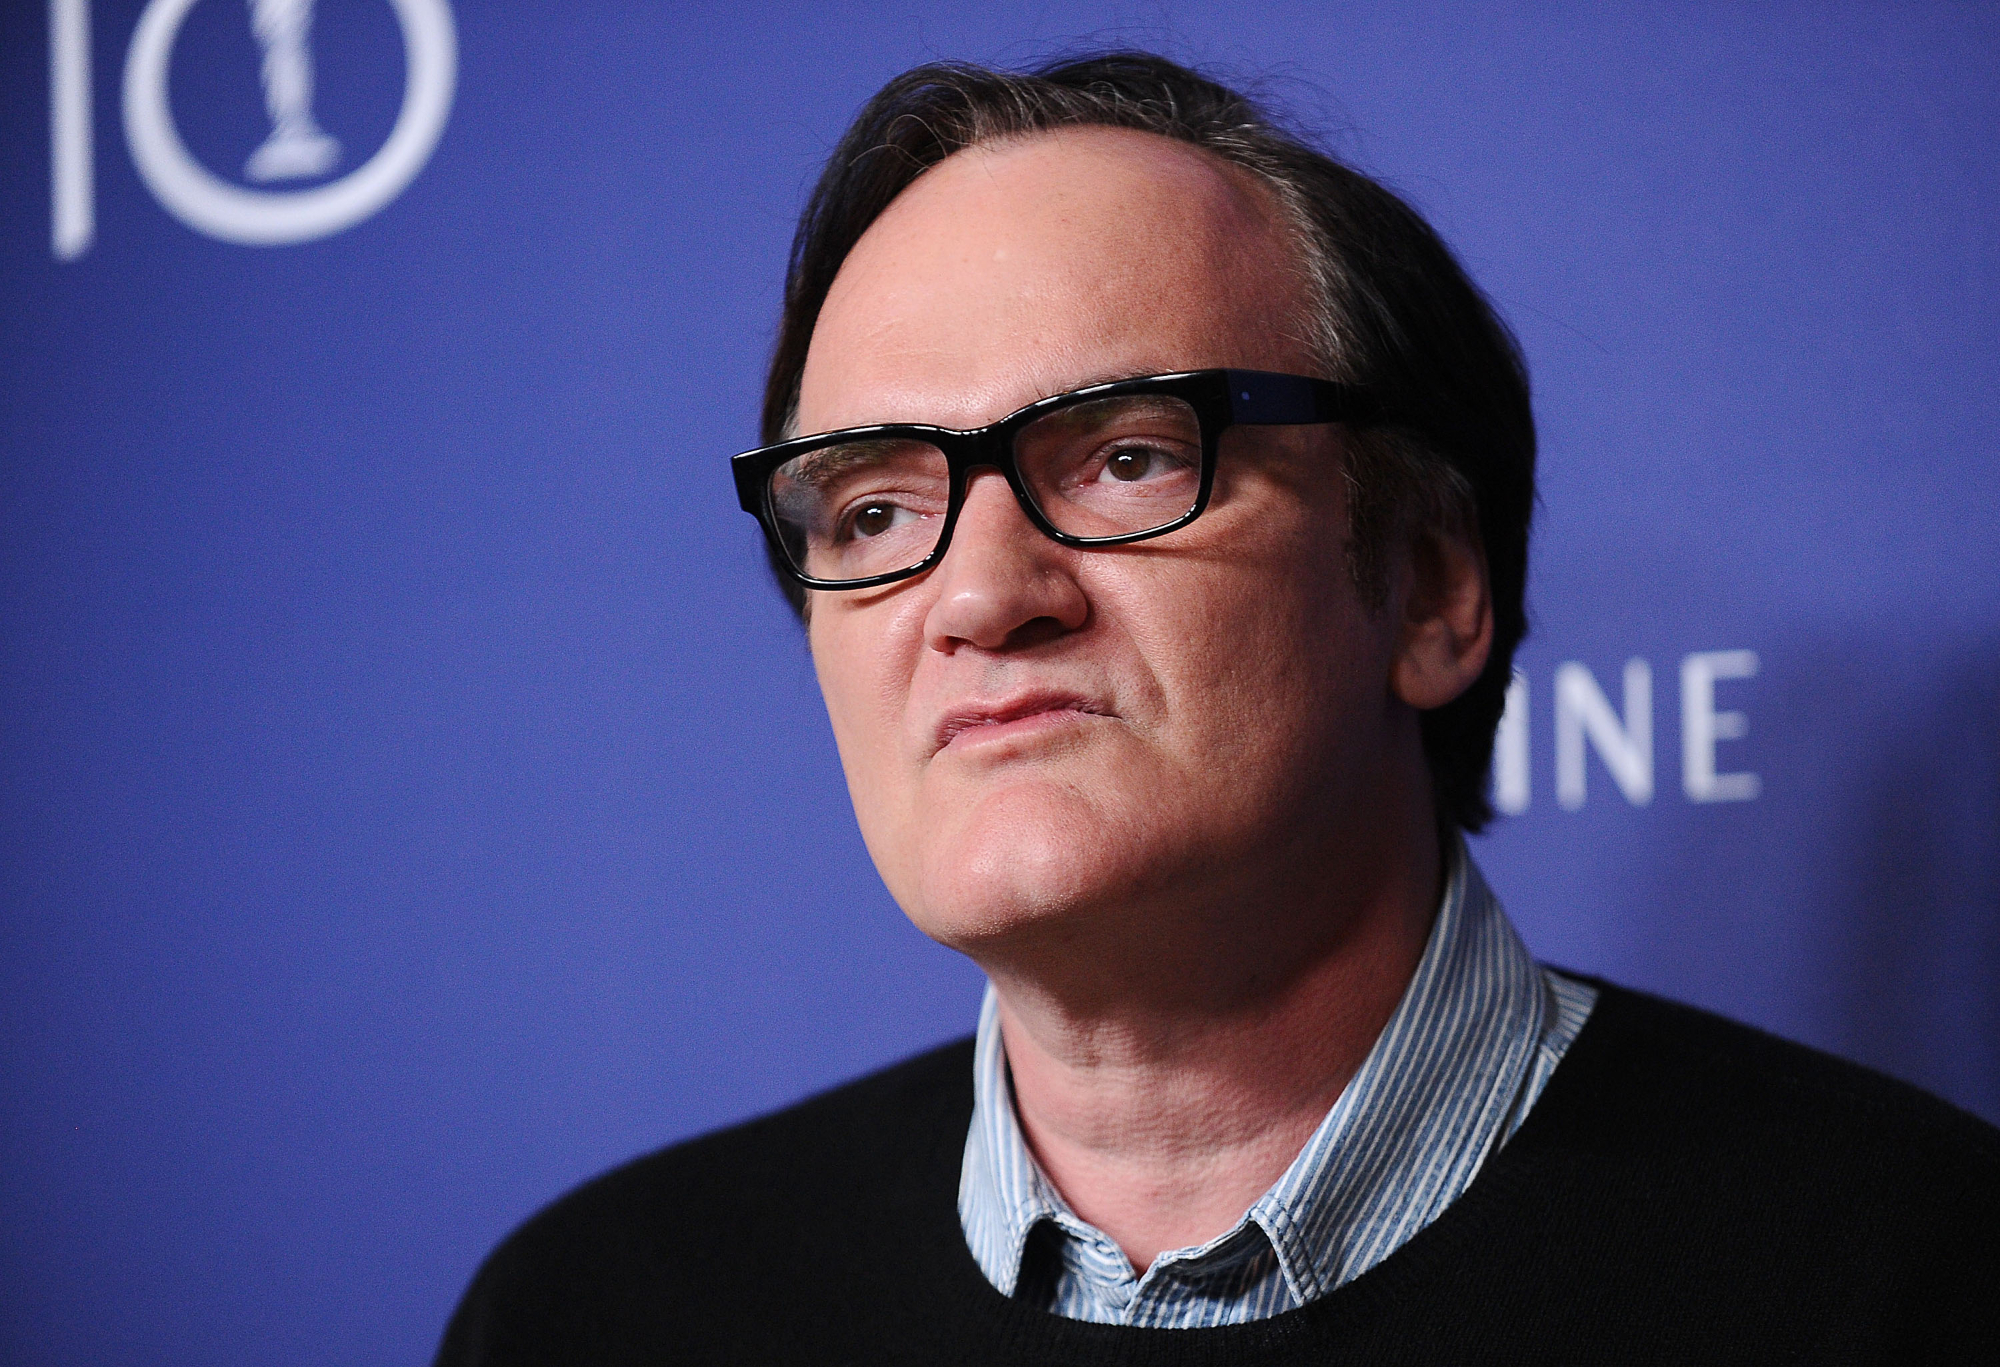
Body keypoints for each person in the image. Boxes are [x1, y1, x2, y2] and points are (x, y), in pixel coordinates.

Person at [436, 53, 1999, 1364]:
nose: (981, 597)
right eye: (871, 511)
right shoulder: (598, 1317)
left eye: (1126, 457)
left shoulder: (1911, 1274)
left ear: (1435, 584)